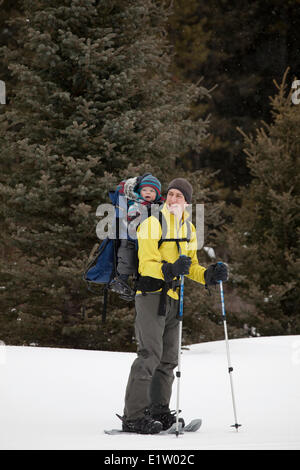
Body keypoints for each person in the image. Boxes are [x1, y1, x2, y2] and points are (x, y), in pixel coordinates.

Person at [118, 177, 229, 434]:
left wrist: (209, 275)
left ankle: (158, 411)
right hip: (150, 296)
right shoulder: (151, 224)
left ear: (187, 203)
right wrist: (169, 269)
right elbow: (146, 264)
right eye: (170, 195)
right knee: (149, 355)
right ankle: (133, 416)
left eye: (178, 196)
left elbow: (190, 266)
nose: (172, 199)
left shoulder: (189, 229)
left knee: (168, 359)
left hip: (173, 299)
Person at [109, 174, 163, 299]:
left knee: (141, 264)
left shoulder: (159, 206)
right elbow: (123, 191)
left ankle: (134, 287)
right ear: (140, 192)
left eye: (151, 191)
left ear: (157, 194)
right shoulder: (136, 202)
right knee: (126, 260)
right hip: (130, 239)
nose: (147, 193)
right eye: (144, 190)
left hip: (145, 242)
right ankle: (120, 281)